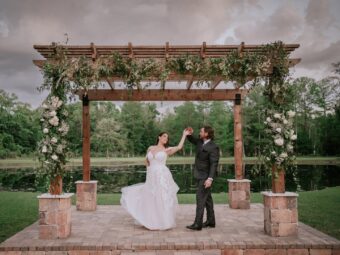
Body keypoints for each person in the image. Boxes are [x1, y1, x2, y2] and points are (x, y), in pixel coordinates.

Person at [120, 129, 190, 230]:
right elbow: (147, 161)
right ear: (159, 137)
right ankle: (151, 220)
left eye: (167, 137)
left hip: (161, 175)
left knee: (161, 196)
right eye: (164, 136)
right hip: (151, 175)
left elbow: (179, 147)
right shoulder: (150, 148)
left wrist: (184, 135)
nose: (166, 138)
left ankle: (163, 221)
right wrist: (148, 172)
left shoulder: (167, 150)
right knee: (150, 196)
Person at [185, 126, 220, 231]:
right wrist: (189, 133)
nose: (199, 133)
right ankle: (211, 221)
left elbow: (214, 164)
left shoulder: (214, 147)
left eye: (201, 131)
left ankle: (197, 224)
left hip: (205, 176)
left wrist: (210, 179)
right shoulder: (200, 142)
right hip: (198, 174)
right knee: (207, 199)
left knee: (200, 198)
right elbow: (191, 139)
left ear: (206, 134)